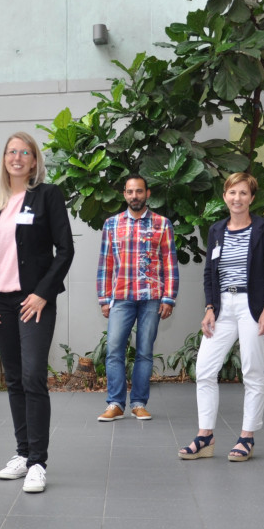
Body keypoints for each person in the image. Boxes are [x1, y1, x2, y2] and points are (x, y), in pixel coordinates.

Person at [0, 132, 74, 493]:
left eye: (24, 152)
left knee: (33, 377)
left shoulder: (48, 196)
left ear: (34, 161)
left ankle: (38, 463)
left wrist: (42, 294)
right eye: (11, 151)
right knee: (14, 379)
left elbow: (64, 250)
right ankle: (21, 453)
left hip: (33, 302)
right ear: (4, 158)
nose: (17, 157)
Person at [178, 172, 264, 463]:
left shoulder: (263, 229)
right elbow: (211, 272)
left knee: (251, 372)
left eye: (243, 193)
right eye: (232, 193)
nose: (237, 198)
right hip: (223, 306)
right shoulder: (216, 230)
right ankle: (205, 436)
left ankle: (246, 437)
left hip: (254, 306)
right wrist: (210, 307)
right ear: (224, 196)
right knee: (205, 370)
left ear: (251, 198)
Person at [96, 174, 179, 422]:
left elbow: (170, 264)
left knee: (144, 352)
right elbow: (105, 264)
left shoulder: (162, 224)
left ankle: (139, 403)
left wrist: (168, 297)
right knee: (114, 351)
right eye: (130, 192)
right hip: (121, 297)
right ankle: (115, 404)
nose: (135, 196)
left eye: (139, 191)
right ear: (124, 194)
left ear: (148, 193)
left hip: (152, 297)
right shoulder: (111, 224)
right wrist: (103, 298)